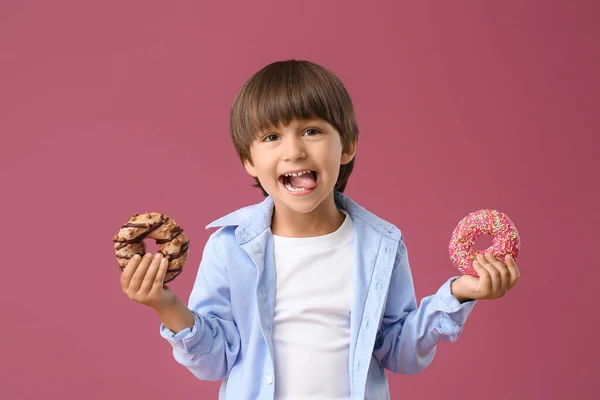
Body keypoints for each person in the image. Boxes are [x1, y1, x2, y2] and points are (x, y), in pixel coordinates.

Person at [120, 60, 520, 400]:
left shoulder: (382, 245)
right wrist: (165, 304)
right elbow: (215, 362)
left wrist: (457, 295)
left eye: (311, 131)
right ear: (249, 161)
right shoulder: (229, 247)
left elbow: (398, 353)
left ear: (346, 146)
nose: (293, 150)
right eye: (272, 137)